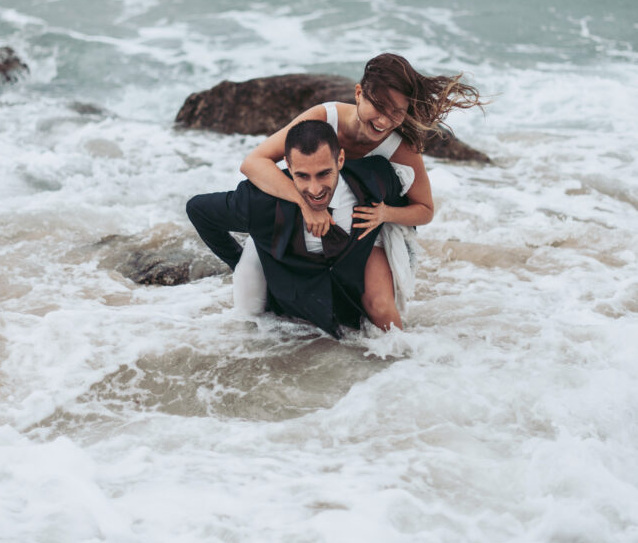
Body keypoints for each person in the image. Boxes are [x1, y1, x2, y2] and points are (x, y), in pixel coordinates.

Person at [238, 53, 484, 329]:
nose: (384, 120)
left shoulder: (400, 148)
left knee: (379, 308)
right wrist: (306, 206)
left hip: (366, 228)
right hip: (301, 212)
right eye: (378, 106)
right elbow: (253, 162)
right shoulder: (324, 118)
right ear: (359, 94)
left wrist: (384, 213)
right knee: (252, 302)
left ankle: (406, 365)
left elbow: (425, 211)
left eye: (397, 112)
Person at [186, 120, 408, 339]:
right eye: (302, 175)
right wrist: (236, 260)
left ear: (340, 159)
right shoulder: (258, 202)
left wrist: (386, 220)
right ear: (288, 166)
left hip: (348, 302)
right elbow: (198, 210)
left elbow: (414, 208)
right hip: (290, 312)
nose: (314, 189)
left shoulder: (374, 180)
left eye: (323, 173)